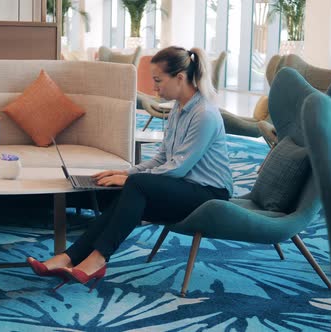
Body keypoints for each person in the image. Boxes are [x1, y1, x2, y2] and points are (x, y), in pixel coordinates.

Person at [27, 46, 233, 292]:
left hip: (209, 194)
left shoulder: (204, 114)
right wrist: (125, 173)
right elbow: (162, 158)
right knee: (129, 189)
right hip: (184, 187)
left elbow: (178, 168)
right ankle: (69, 257)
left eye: (158, 80)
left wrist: (130, 180)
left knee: (135, 186)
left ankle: (98, 259)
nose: (154, 88)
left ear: (180, 77)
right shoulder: (178, 109)